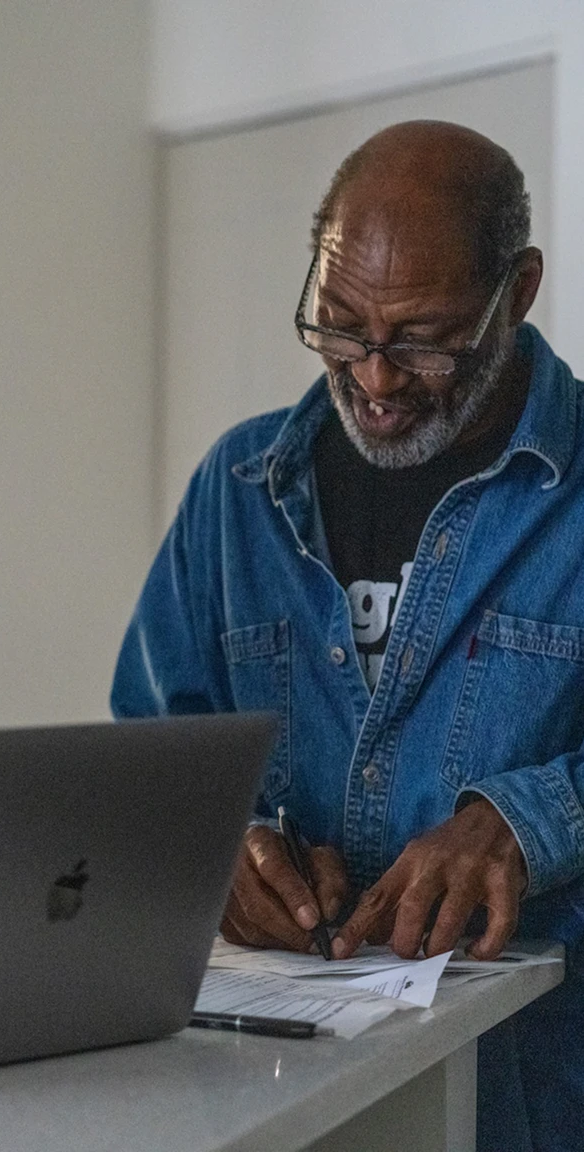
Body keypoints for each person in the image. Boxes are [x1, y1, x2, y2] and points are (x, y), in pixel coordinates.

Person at [112, 120, 584, 1151]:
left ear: (519, 290)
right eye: (336, 326)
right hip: (271, 1094)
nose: (372, 379)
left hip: (538, 1096)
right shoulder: (237, 492)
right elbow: (152, 751)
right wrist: (227, 848)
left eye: (421, 337)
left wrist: (526, 820)